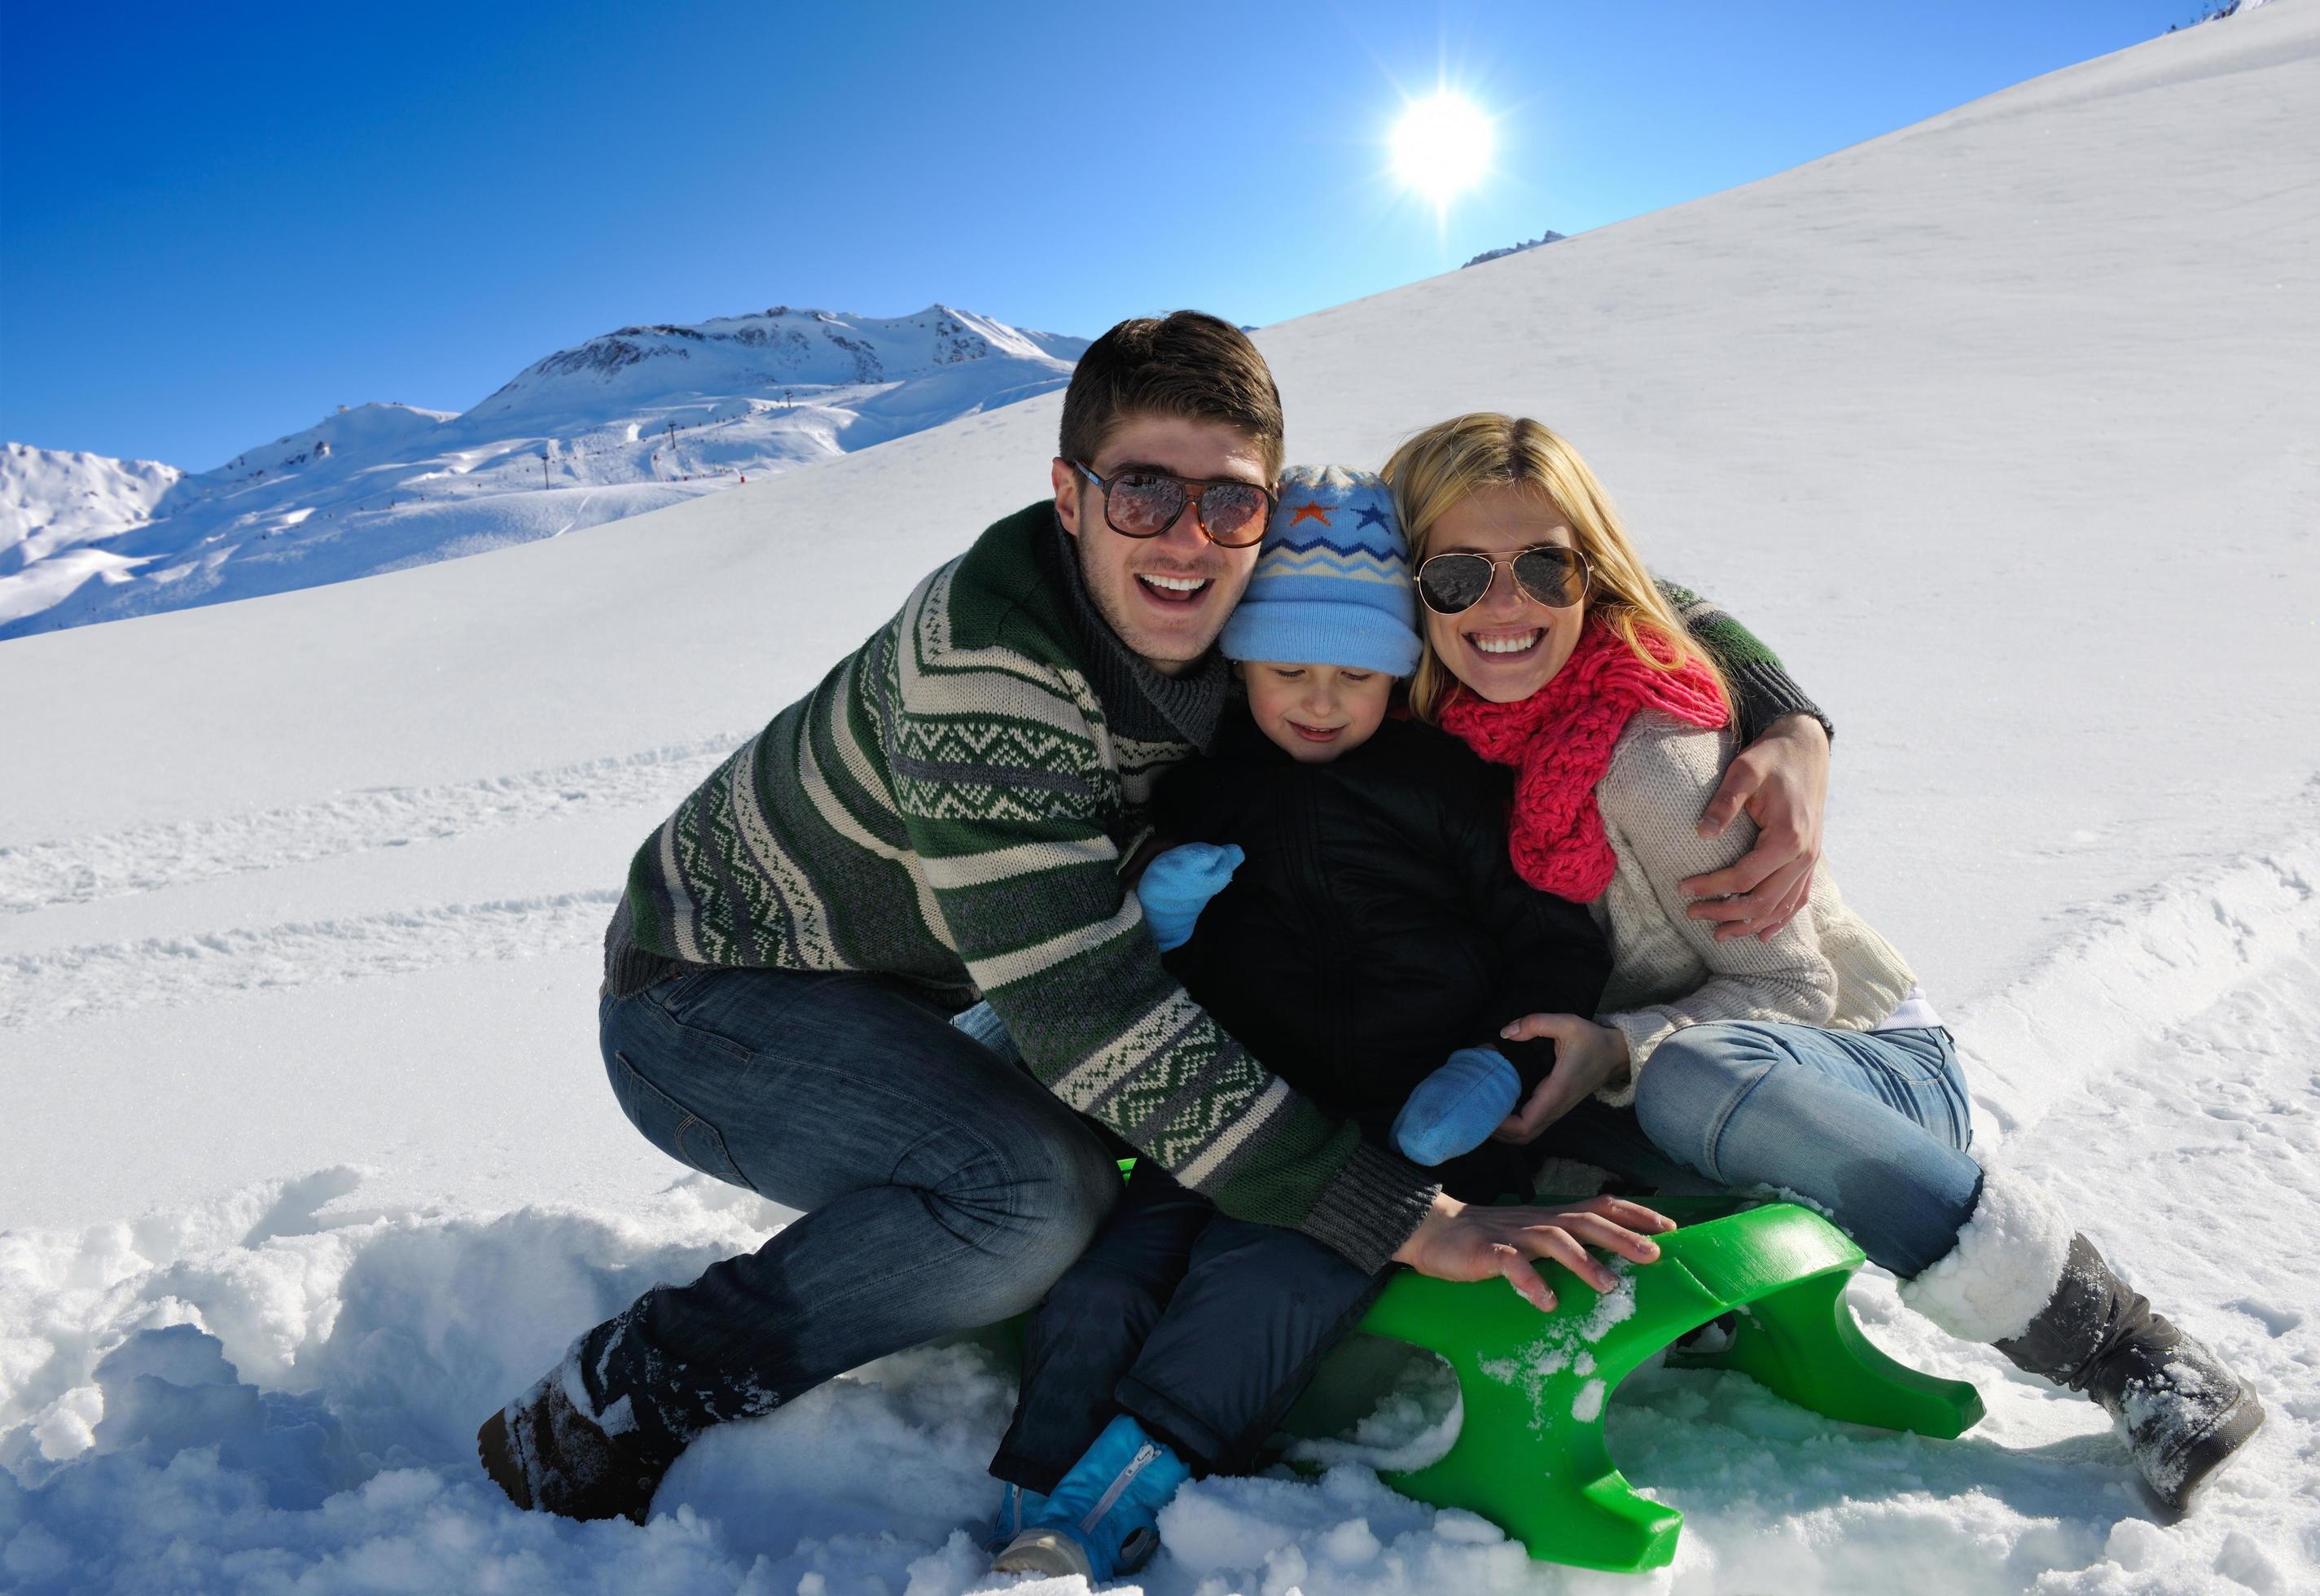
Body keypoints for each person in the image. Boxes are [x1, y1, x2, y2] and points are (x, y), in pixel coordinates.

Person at [473, 315, 1829, 1526]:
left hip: (929, 984)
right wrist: (1389, 1213)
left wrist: (1783, 711)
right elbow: (1093, 1016)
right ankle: (638, 1384)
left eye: (1226, 502)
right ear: (1068, 495)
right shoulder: (990, 680)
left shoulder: (1262, 580)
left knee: (1115, 1158)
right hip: (715, 998)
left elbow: (1554, 565)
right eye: (1141, 490)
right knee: (1029, 1203)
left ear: (1266, 509)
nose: (1186, 536)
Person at [1384, 411, 2265, 1510]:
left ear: (1589, 576)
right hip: (1647, 1090)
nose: (1504, 605)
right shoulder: (1437, 731)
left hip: (1843, 1074)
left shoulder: (1653, 757)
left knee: (1692, 1075)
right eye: (1458, 574)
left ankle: (2129, 1351)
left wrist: (1616, 1045)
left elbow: (1789, 989)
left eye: (1544, 568)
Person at [976, 466, 1652, 1582]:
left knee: (1278, 1270)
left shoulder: (1447, 783)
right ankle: (1030, 1488)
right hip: (1223, 1111)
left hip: (1403, 1125)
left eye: (1359, 675)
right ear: (1239, 661)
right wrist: (1162, 919)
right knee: (1108, 1275)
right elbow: (1118, 968)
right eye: (1288, 668)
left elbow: (1550, 936)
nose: (1322, 700)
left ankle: (1110, 1503)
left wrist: (1491, 1063)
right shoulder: (1201, 786)